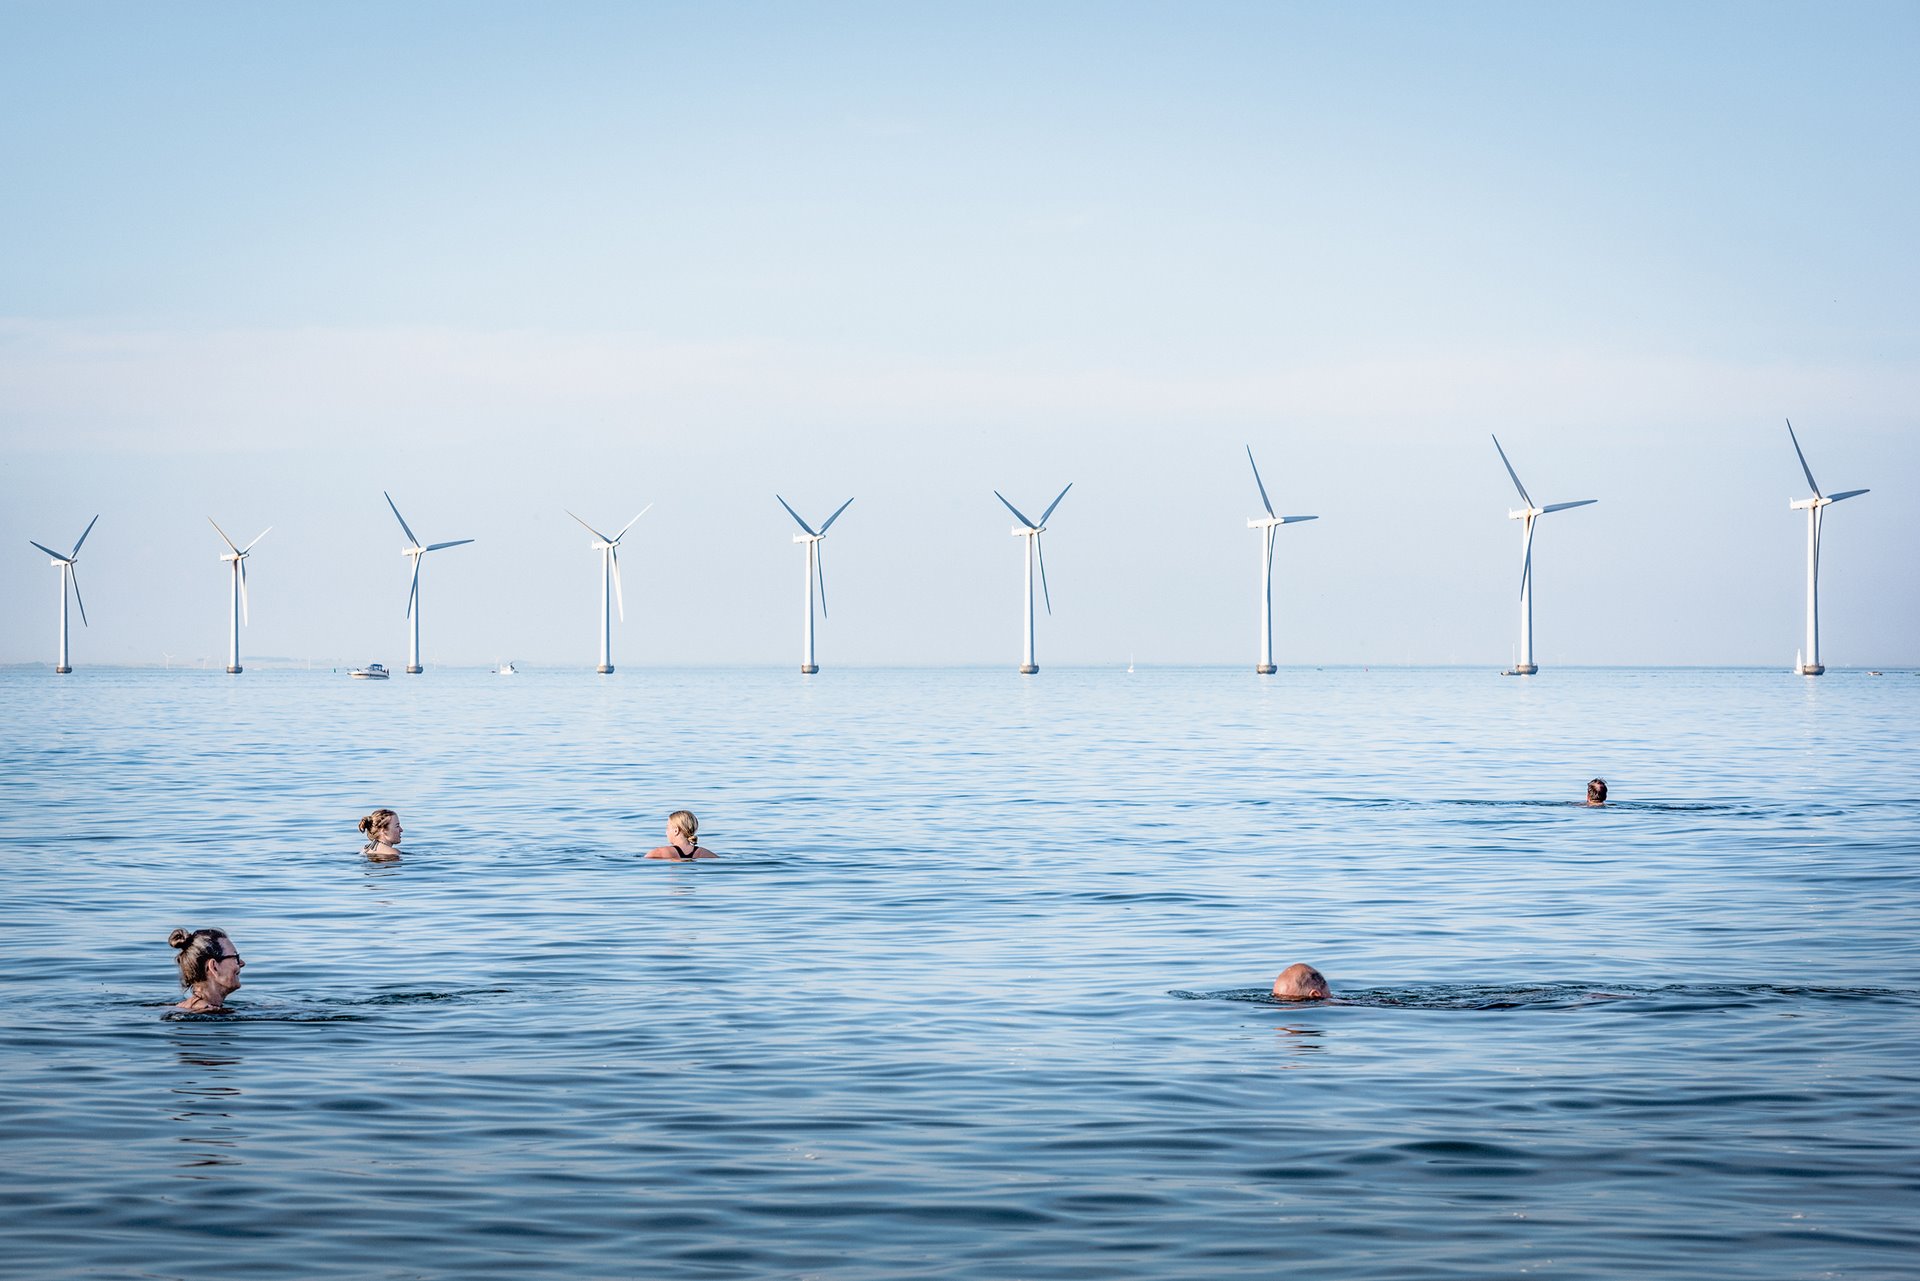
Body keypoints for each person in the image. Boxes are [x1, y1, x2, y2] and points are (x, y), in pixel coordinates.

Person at [170, 927, 245, 1012]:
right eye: (235, 957)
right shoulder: (210, 1011)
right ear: (214, 967)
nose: (242, 963)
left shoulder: (182, 1007)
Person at [647, 810, 716, 860]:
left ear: (676, 830)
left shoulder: (659, 852)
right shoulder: (705, 853)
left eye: (667, 828)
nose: (666, 832)